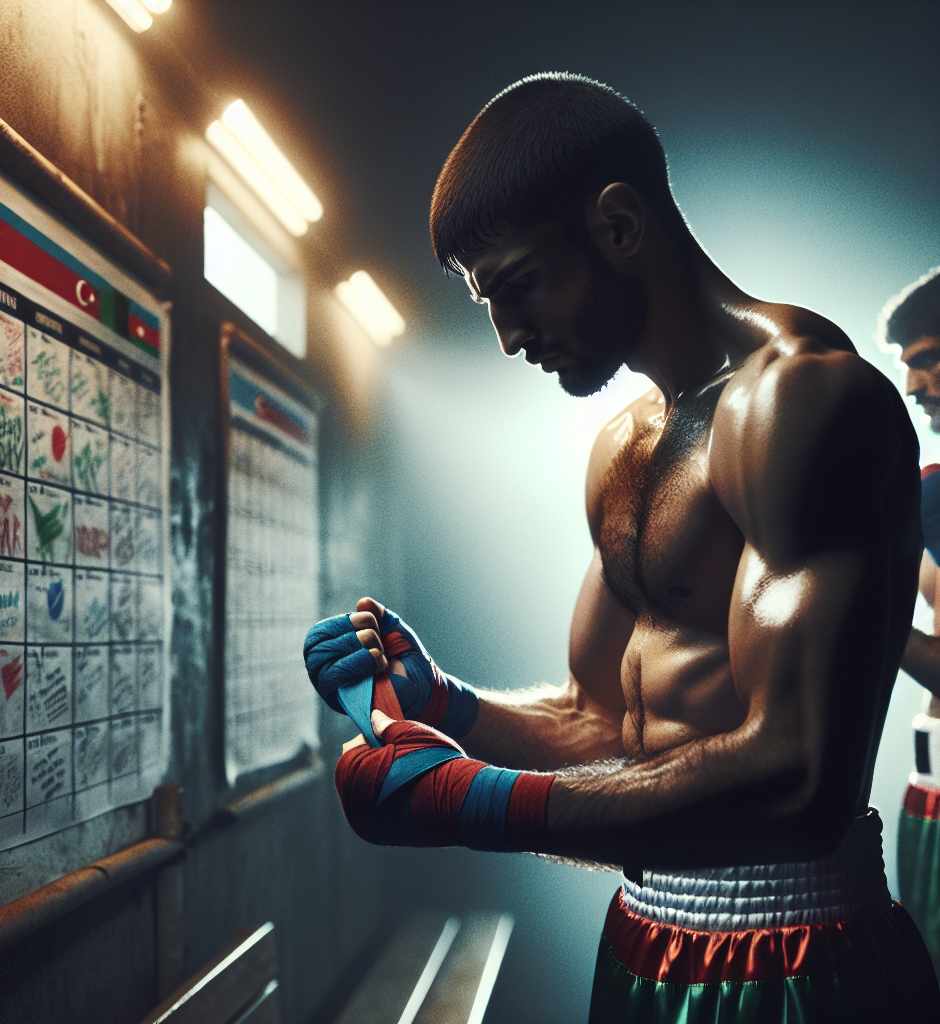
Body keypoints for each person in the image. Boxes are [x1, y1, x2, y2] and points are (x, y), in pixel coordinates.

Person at [304, 75, 939, 1022]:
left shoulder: (803, 402)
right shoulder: (625, 447)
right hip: (643, 935)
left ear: (617, 226)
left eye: (518, 285)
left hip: (801, 956)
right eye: (488, 301)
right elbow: (603, 724)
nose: (510, 334)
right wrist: (450, 708)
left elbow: (802, 777)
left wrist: (478, 806)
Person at [885, 267, 940, 979]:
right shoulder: (928, 491)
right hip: (929, 793)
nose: (914, 385)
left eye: (926, 358)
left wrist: (866, 608)